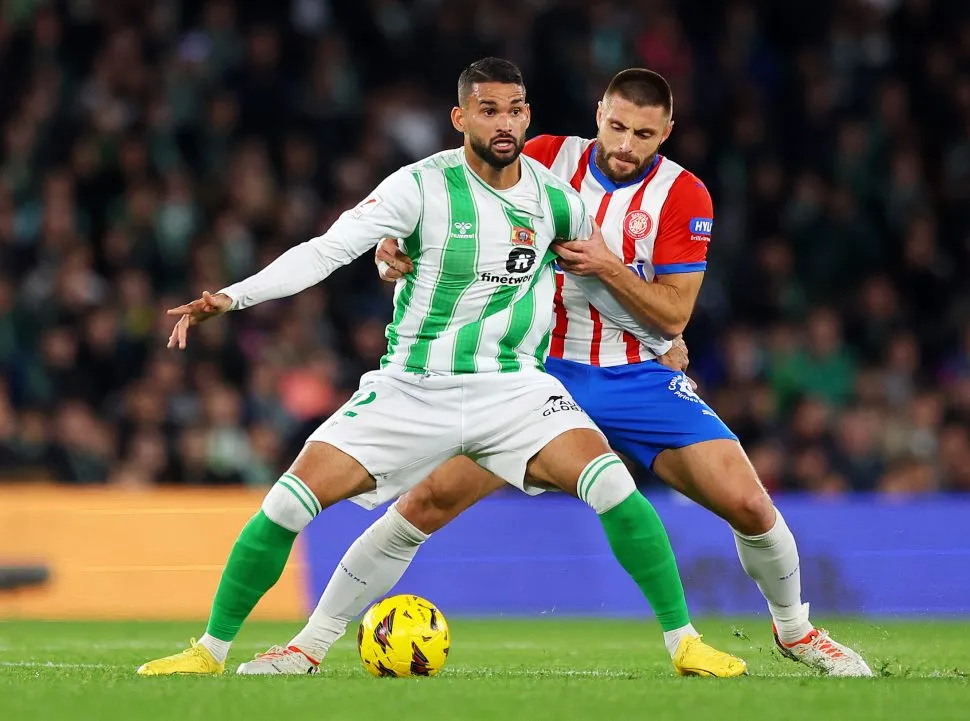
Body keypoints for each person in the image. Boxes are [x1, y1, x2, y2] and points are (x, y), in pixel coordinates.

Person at [245, 68, 871, 677]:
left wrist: (608, 267)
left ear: (667, 132)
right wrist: (396, 245)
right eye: (616, 127)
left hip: (634, 374)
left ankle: (796, 631)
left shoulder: (685, 196)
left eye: (643, 135)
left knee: (749, 504)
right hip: (532, 374)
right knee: (424, 504)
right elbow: (446, 200)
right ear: (599, 114)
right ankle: (309, 645)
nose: (625, 145)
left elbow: (675, 315)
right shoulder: (543, 157)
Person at [136, 58, 745, 678]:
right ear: (460, 118)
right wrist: (232, 297)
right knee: (288, 505)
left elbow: (594, 286)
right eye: (489, 110)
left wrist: (657, 339)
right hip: (413, 386)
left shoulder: (556, 200)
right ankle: (211, 651)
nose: (504, 123)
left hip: (514, 389)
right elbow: (326, 251)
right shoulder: (418, 187)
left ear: (528, 117)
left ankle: (684, 643)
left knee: (613, 487)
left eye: (515, 110)